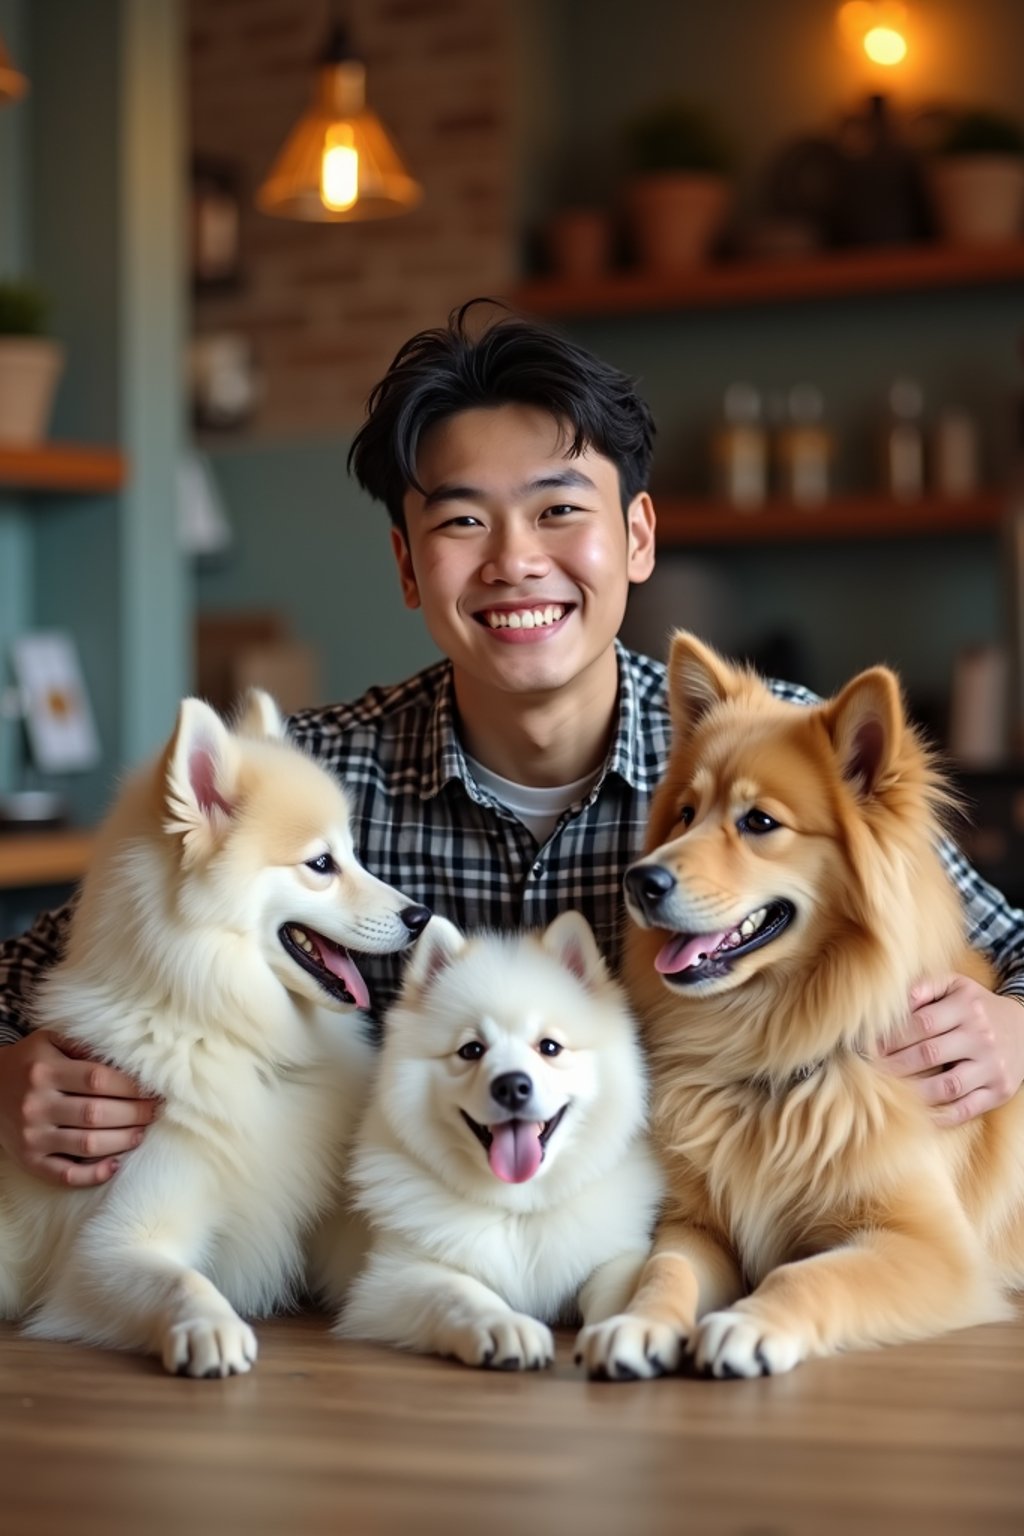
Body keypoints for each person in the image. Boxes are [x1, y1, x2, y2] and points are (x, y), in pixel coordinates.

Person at [1, 300, 1023, 1190]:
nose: (514, 561)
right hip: (366, 1324)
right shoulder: (311, 789)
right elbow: (40, 967)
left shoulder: (767, 756)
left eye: (558, 511)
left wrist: (1014, 1031)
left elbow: (1007, 948)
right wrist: (14, 1076)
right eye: (460, 524)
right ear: (407, 566)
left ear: (636, 537)